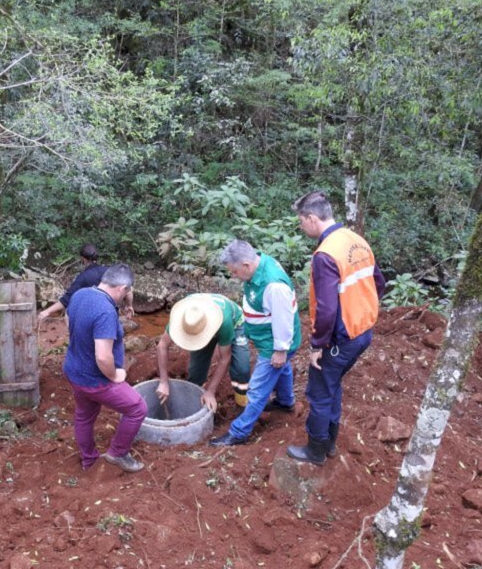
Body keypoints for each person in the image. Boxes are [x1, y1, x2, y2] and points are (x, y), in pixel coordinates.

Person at [287, 191, 385, 465]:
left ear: (311, 218)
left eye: (301, 221)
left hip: (342, 337)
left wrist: (318, 345)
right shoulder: (355, 240)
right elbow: (379, 283)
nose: (301, 226)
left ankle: (316, 450)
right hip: (363, 331)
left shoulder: (325, 254)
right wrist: (360, 308)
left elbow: (327, 309)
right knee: (332, 383)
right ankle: (329, 444)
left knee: (319, 390)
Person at [210, 239, 302, 446]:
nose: (233, 276)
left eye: (234, 271)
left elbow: (283, 319)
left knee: (257, 389)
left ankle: (239, 432)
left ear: (246, 265)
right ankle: (286, 402)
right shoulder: (257, 264)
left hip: (275, 344)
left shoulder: (273, 285)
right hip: (270, 340)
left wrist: (280, 350)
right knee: (283, 369)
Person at [63, 264, 147, 473]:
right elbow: (102, 356)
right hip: (96, 380)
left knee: (84, 415)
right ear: (122, 289)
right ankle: (117, 453)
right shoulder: (105, 312)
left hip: (74, 370)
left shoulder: (81, 295)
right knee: (137, 408)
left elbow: (67, 319)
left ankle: (89, 460)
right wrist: (115, 374)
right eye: (127, 292)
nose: (127, 297)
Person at [156, 294, 251, 412]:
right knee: (196, 373)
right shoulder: (185, 318)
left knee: (242, 367)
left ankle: (242, 404)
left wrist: (211, 391)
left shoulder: (225, 322)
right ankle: (195, 402)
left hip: (235, 322)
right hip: (201, 326)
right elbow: (162, 346)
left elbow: (225, 358)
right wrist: (163, 381)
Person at [38, 244, 134, 323]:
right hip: (111, 315)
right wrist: (129, 306)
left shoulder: (83, 277)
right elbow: (128, 291)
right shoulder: (110, 271)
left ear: (83, 259)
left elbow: (66, 300)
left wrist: (47, 311)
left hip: (94, 318)